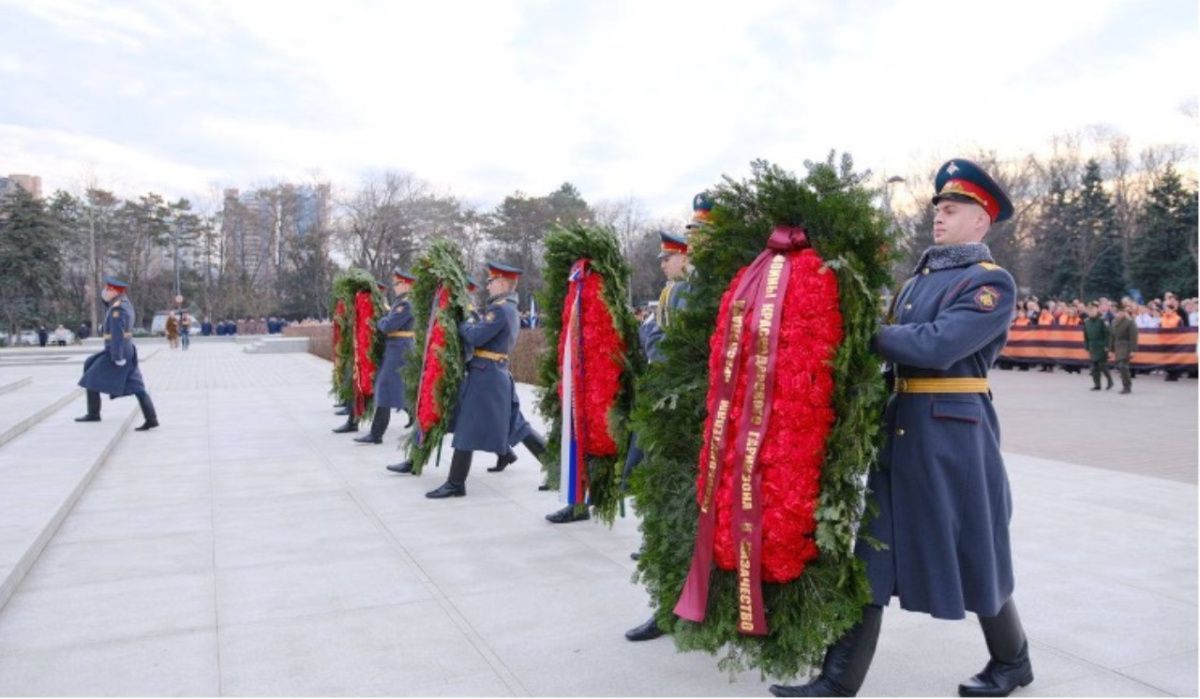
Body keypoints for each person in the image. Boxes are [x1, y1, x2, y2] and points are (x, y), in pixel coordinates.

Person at [771, 160, 1031, 698]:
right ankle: (838, 681)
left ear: (981, 221)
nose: (940, 215)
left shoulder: (990, 284)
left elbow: (936, 345)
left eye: (952, 208)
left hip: (954, 441)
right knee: (871, 555)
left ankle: (1014, 661)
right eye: (938, 207)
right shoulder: (921, 279)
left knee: (976, 554)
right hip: (902, 431)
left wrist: (864, 328)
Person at [624, 214, 700, 639]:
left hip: (677, 411)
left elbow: (667, 351)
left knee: (670, 505)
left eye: (668, 257)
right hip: (664, 404)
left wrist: (648, 334)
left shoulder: (686, 294)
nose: (663, 264)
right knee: (659, 500)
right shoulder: (674, 292)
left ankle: (670, 605)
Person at [425, 262, 525, 499]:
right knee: (491, 425)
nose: (488, 286)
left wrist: (463, 323)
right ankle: (502, 455)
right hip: (489, 371)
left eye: (491, 281)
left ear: (502, 282)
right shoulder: (507, 308)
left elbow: (476, 336)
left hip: (486, 374)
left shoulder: (500, 310)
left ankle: (455, 483)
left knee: (467, 429)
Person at [75, 276, 159, 431]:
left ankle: (93, 413)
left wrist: (117, 357)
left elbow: (117, 334)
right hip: (126, 350)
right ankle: (151, 418)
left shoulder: (117, 309)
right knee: (136, 386)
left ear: (114, 291)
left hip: (117, 351)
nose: (104, 292)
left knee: (91, 376)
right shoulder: (122, 303)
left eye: (107, 289)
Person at [355, 270, 416, 444]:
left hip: (398, 348)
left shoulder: (405, 304)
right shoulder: (400, 303)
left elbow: (387, 325)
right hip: (396, 348)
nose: (395, 288)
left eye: (397, 284)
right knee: (392, 388)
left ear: (405, 284)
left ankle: (376, 434)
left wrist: (380, 321)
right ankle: (411, 414)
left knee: (384, 388)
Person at [1082, 302, 1113, 391]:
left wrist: (1107, 346)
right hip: (1092, 346)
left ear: (1096, 311)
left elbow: (1107, 334)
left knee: (1102, 365)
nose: (1091, 312)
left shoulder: (1102, 321)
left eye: (1093, 311)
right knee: (1094, 367)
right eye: (1089, 311)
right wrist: (1086, 346)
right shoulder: (1087, 322)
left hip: (1101, 345)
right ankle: (1097, 384)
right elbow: (1086, 335)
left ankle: (1109, 380)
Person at [1111, 304, 1139, 394]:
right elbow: (1112, 336)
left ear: (1124, 312)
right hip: (1118, 347)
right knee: (1121, 368)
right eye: (1117, 312)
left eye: (1120, 312)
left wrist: (1133, 350)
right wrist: (1111, 349)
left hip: (1126, 347)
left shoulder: (1129, 322)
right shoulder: (1114, 322)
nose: (1118, 314)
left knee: (1123, 367)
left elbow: (1133, 337)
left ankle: (1127, 386)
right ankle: (1125, 385)